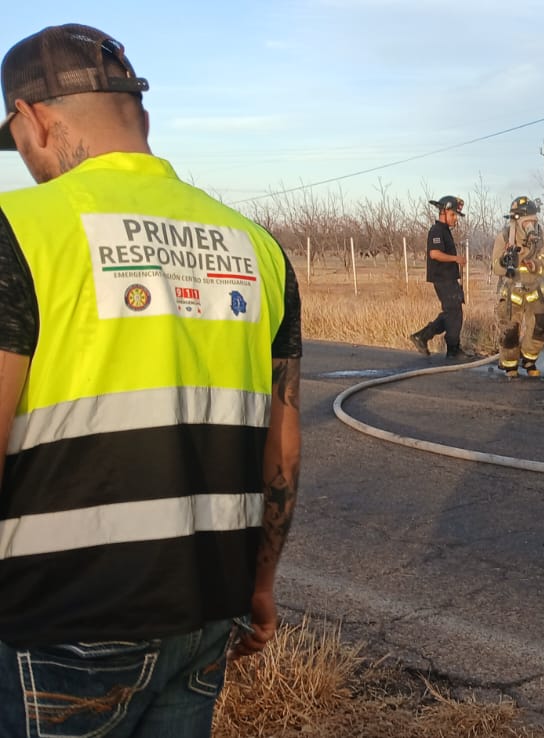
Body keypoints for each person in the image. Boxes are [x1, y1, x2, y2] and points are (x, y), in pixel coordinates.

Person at [0, 23, 301, 737]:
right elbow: (282, 449)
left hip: (57, 624)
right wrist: (259, 583)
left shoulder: (17, 229)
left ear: (35, 118)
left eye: (18, 143)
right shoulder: (256, 245)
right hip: (205, 609)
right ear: (141, 116)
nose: (27, 165)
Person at [491, 195, 544, 377]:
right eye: (528, 221)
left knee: (541, 325)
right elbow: (495, 266)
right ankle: (510, 365)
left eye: (534, 221)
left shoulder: (542, 238)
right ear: (516, 220)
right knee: (510, 331)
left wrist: (537, 265)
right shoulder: (504, 237)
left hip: (537, 290)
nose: (531, 225)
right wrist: (505, 260)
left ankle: (529, 359)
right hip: (512, 291)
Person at [409, 195, 469, 359]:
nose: (455, 219)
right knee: (454, 312)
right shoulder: (436, 231)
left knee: (451, 312)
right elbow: (434, 253)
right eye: (453, 215)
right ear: (443, 212)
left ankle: (423, 336)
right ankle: (453, 350)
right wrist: (456, 259)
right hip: (442, 278)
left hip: (449, 278)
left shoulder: (445, 231)